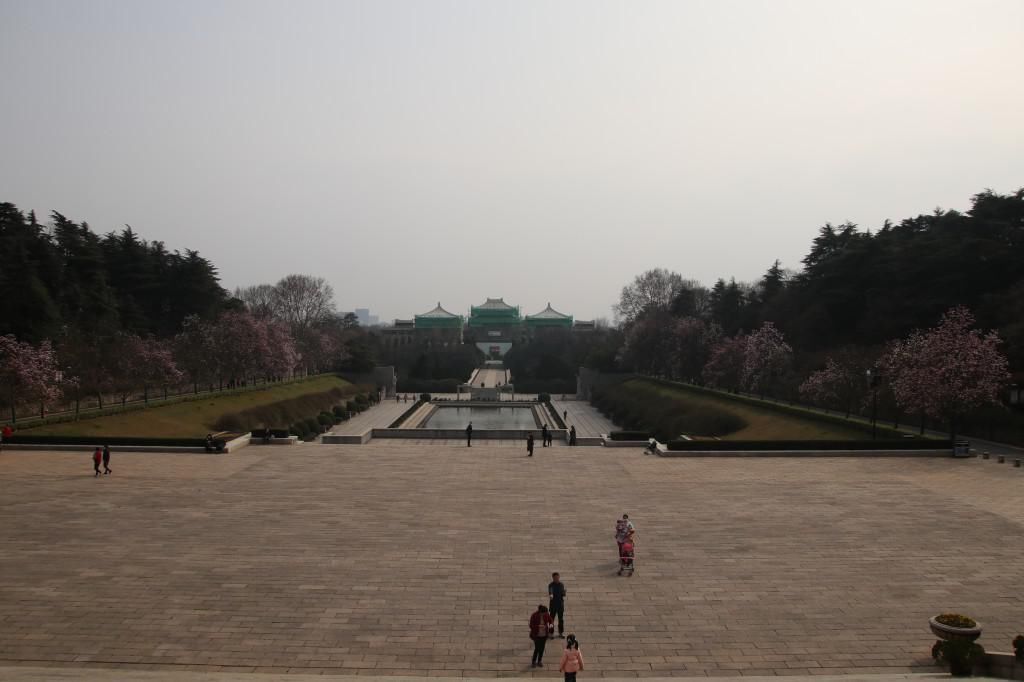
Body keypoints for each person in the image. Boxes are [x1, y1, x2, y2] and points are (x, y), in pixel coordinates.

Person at [548, 572, 566, 638]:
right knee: (551, 620)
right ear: (553, 578)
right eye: (555, 578)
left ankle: (560, 632)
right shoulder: (551, 585)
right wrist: (551, 596)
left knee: (561, 620)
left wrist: (564, 593)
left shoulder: (561, 585)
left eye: (558, 577)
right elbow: (550, 592)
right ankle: (550, 633)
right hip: (553, 605)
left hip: (560, 605)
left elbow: (563, 594)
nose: (557, 579)